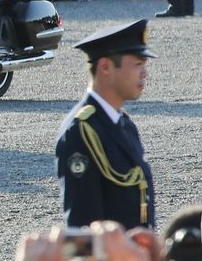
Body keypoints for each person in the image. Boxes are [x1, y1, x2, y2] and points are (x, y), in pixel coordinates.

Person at [55, 19, 157, 229]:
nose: (144, 73)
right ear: (105, 67)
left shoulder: (125, 125)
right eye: (138, 64)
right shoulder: (81, 132)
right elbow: (83, 225)